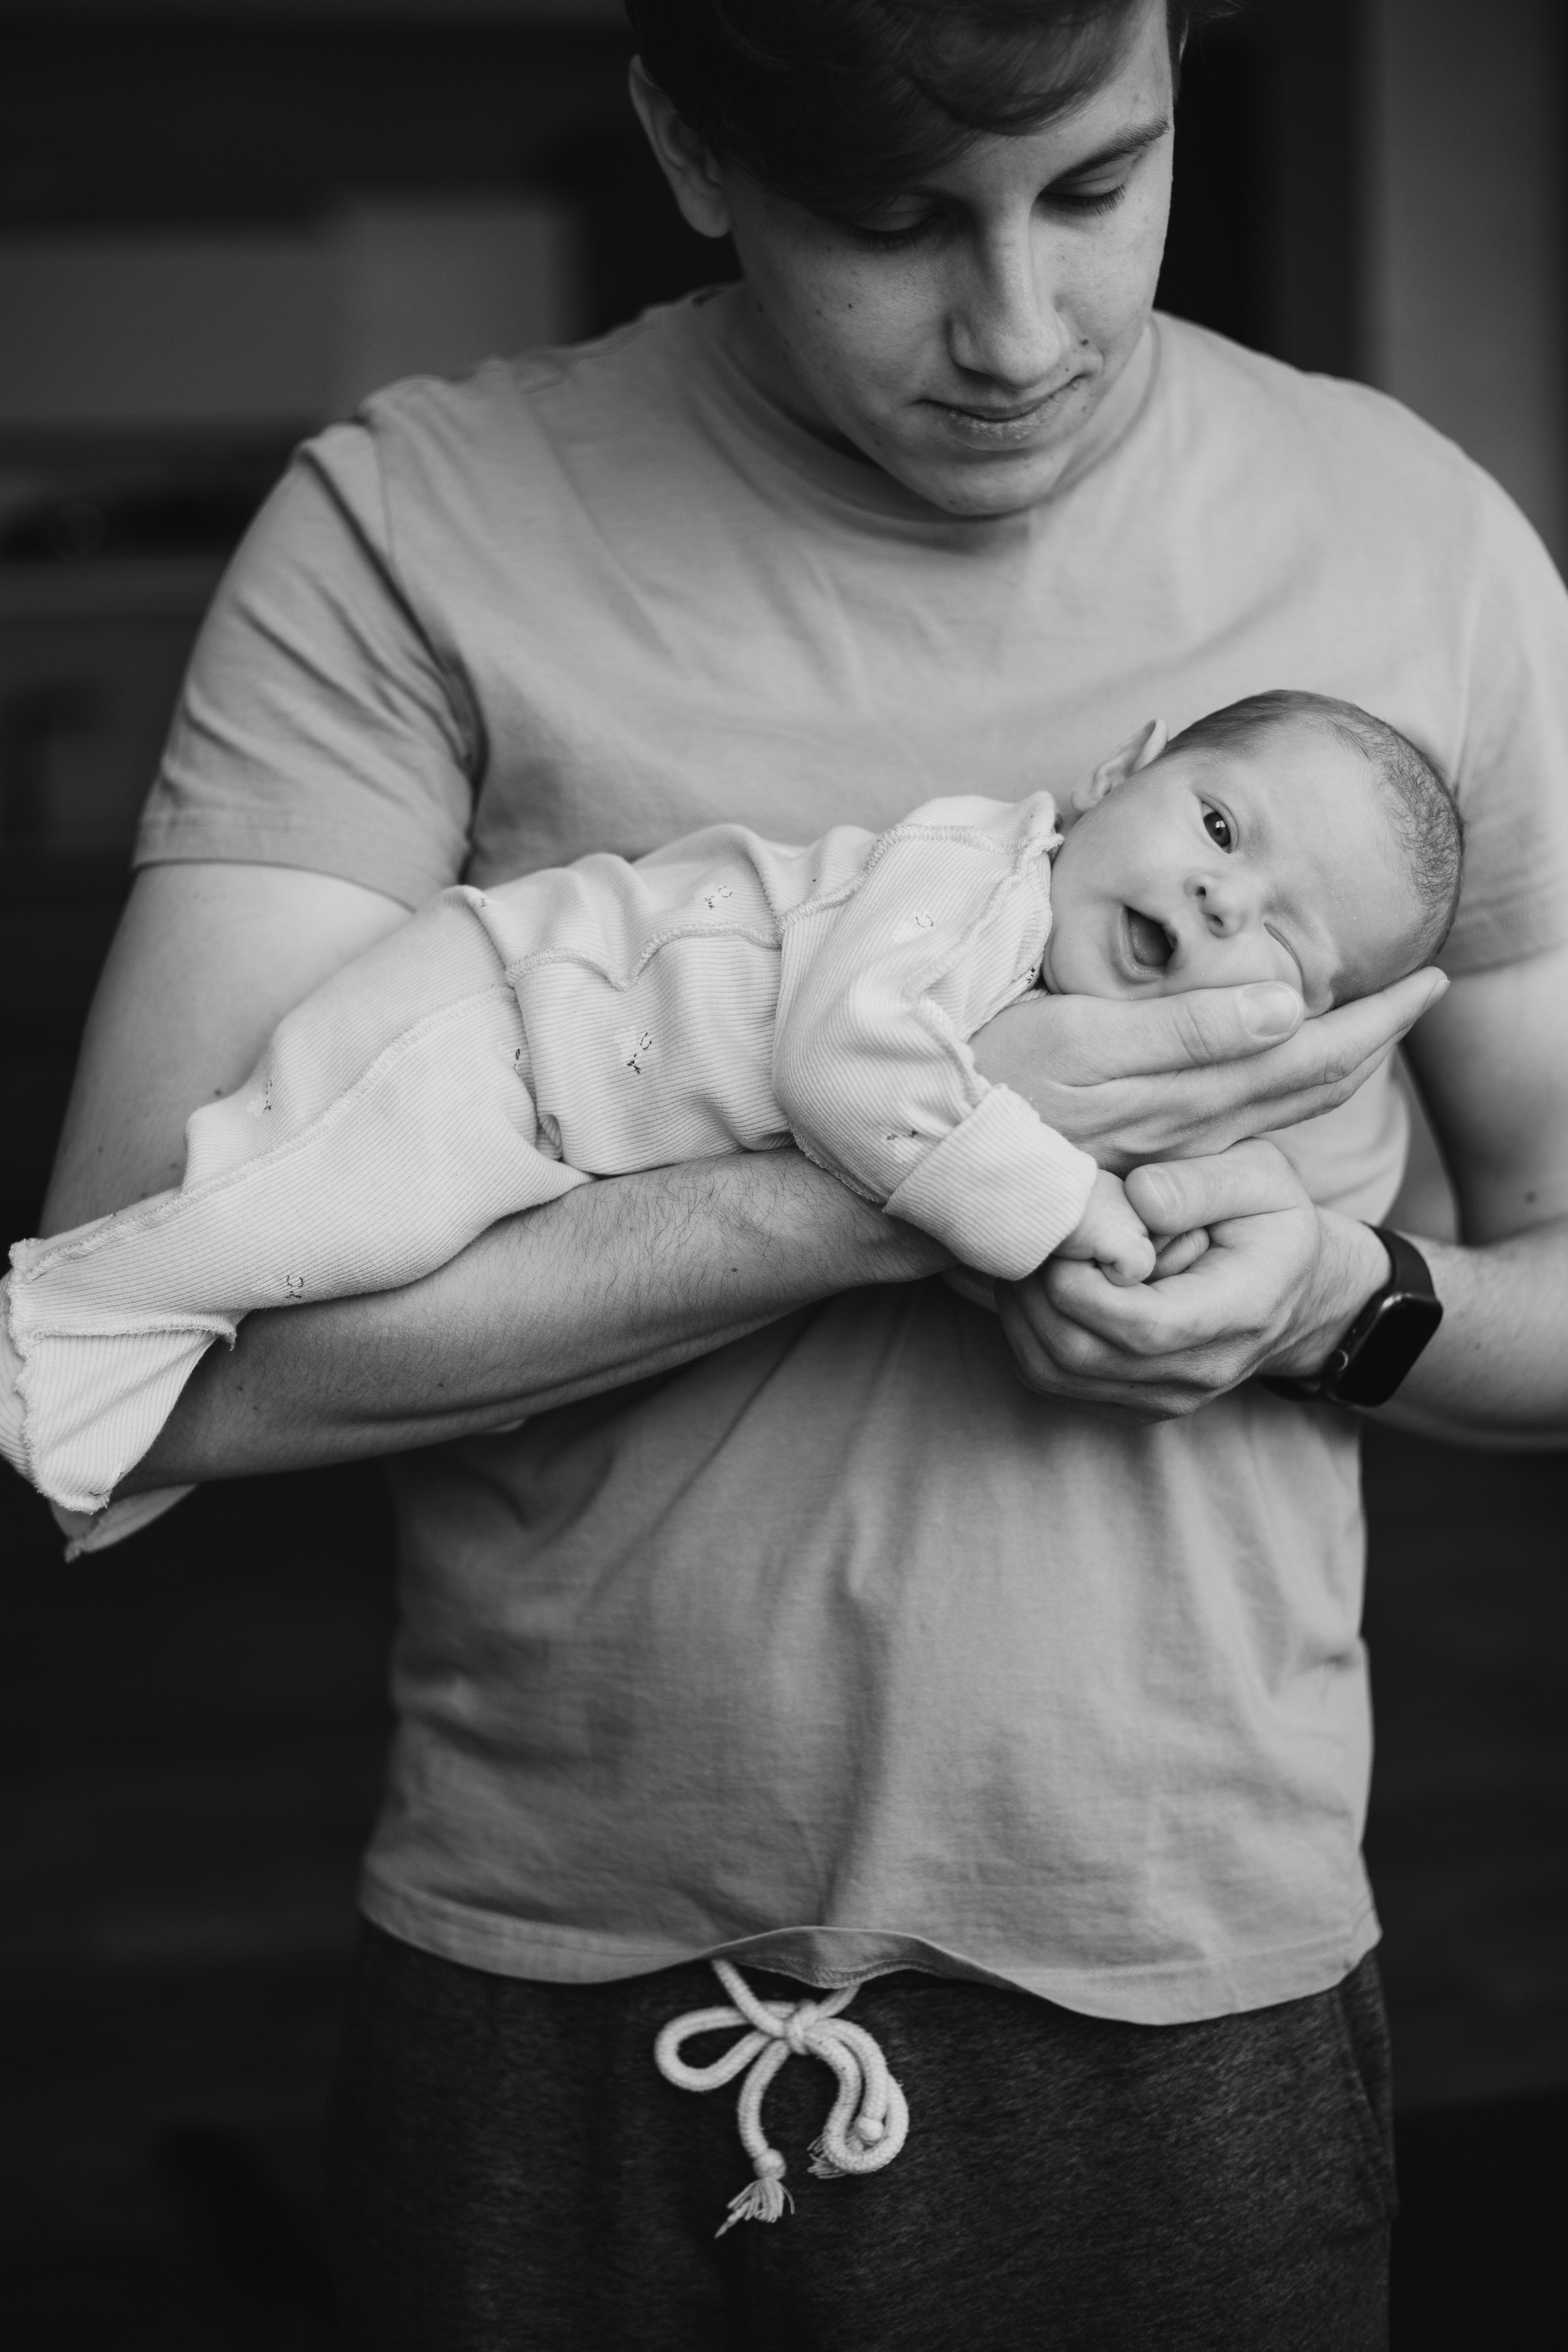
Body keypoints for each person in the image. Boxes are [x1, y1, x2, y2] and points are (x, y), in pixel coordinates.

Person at [34, 0, 1568, 2342]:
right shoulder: (412, 529)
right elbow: (143, 1354)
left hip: (1199, 1968)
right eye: (892, 223)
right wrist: (887, 1188)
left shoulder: (1425, 545)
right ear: (688, 142)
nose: (1022, 330)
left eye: (1099, 184)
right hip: (563, 1961)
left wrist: (1339, 1300)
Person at [4, 687, 1462, 1526]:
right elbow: (844, 1071)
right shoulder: (975, 877)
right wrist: (1060, 1198)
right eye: (1217, 823)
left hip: (555, 1109)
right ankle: (48, 1352)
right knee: (278, 1218)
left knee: (321, 1246)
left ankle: (79, 1387)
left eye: (1279, 937)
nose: (1218, 895)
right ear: (1113, 776)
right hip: (495, 1021)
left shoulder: (1066, 997)